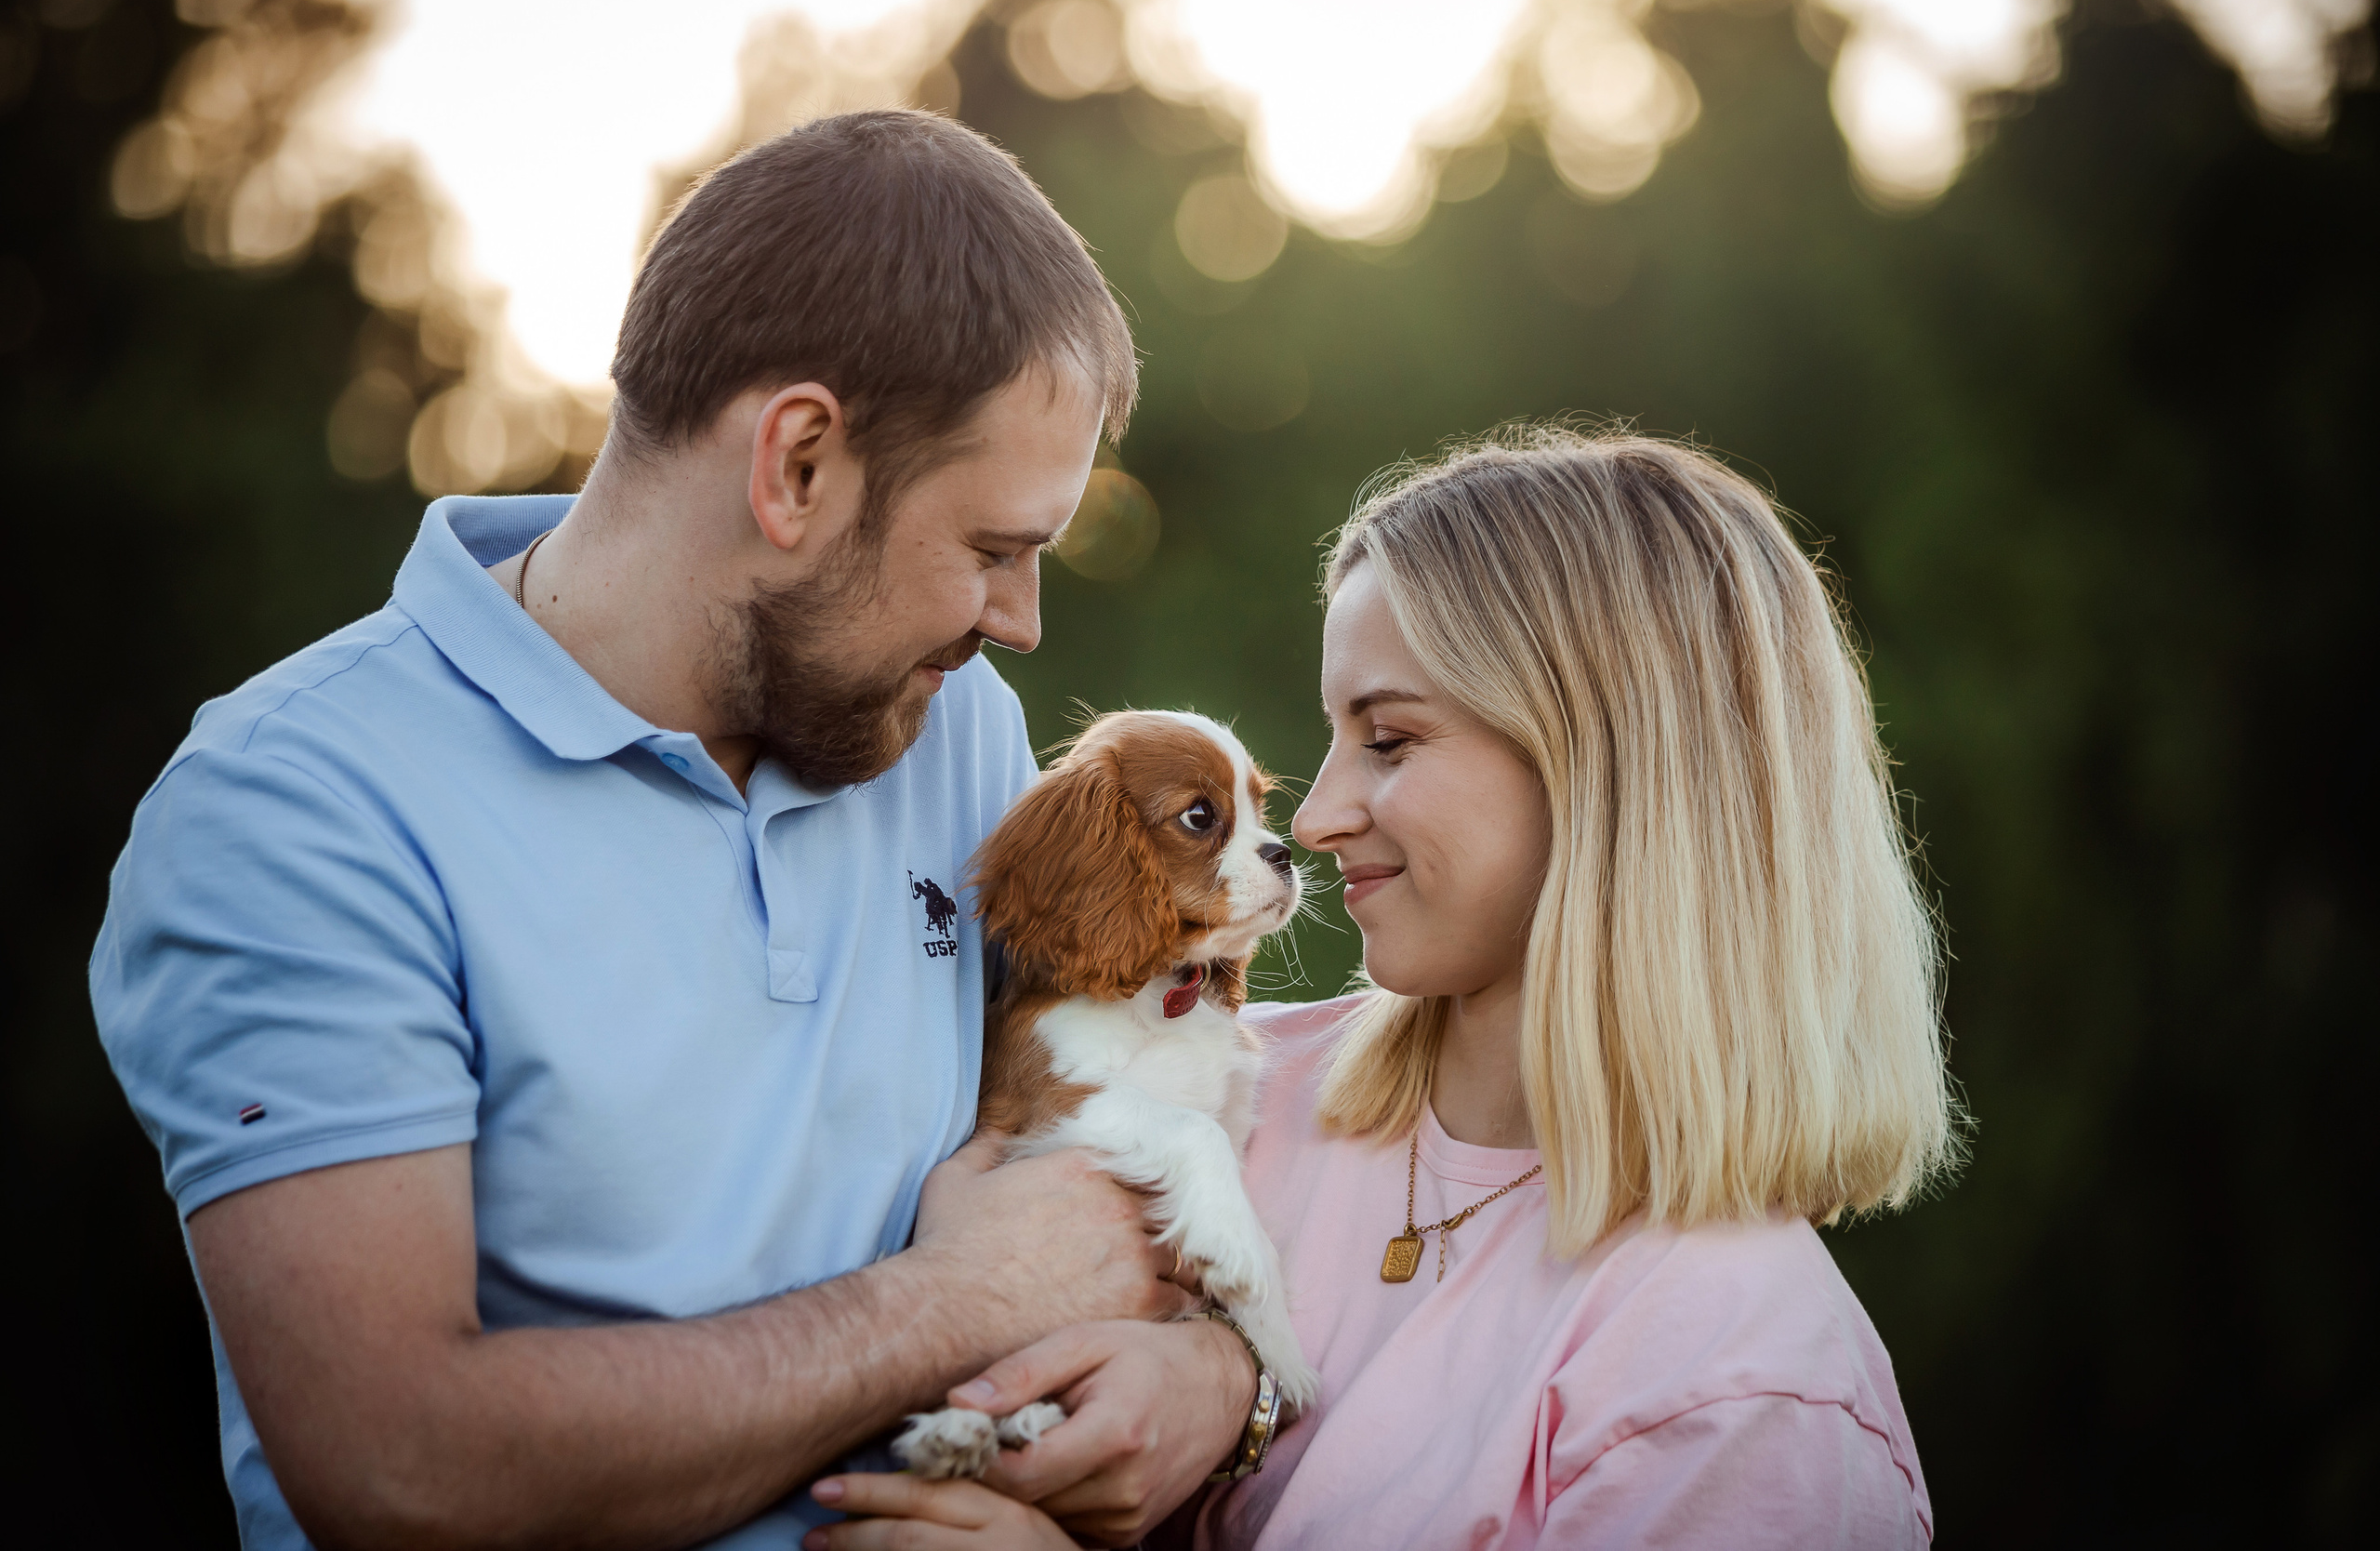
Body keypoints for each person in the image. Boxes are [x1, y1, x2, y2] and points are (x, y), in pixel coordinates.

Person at [90, 111, 1268, 1551]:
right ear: (797, 466)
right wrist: (957, 1301)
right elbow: (401, 1467)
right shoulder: (296, 805)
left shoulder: (956, 733)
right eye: (992, 549)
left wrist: (1213, 1377)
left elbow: (1084, 1137)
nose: (1021, 623)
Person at [807, 428, 1955, 1549]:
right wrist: (1224, 1377)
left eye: (1390, 741)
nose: (1312, 819)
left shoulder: (1746, 1393)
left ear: (1609, 772)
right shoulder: (1228, 1072)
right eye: (1332, 739)